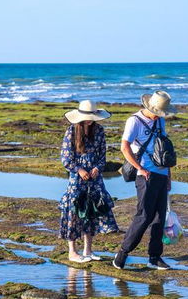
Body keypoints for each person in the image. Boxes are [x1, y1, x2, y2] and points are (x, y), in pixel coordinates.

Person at [113, 90, 176, 270]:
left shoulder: (160, 121)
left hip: (161, 174)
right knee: (144, 216)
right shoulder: (134, 121)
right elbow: (124, 147)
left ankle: (154, 257)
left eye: (161, 114)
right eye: (157, 113)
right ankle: (123, 253)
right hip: (145, 174)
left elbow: (164, 148)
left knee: (159, 217)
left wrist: (169, 175)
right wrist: (140, 168)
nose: (159, 117)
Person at [60, 100, 119, 263]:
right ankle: (72, 252)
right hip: (76, 179)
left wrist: (97, 169)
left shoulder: (99, 130)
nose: (89, 120)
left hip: (95, 179)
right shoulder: (71, 131)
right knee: (74, 211)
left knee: (92, 212)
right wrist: (79, 169)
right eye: (87, 117)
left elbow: (102, 155)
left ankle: (88, 250)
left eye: (92, 117)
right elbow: (65, 158)